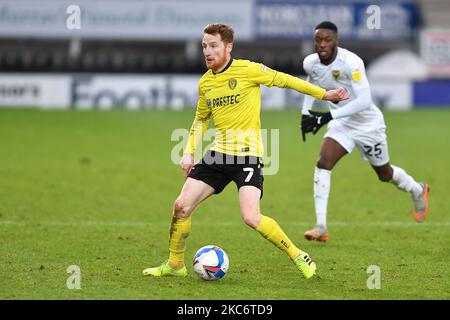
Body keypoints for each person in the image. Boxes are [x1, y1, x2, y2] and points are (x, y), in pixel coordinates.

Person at [142, 23, 348, 279]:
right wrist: (188, 151)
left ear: (228, 47)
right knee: (181, 206)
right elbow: (200, 119)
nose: (207, 51)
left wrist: (324, 94)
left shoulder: (248, 70)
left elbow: (285, 80)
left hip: (248, 156)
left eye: (213, 45)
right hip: (218, 154)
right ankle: (174, 265)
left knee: (251, 217)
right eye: (204, 46)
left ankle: (298, 255)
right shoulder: (206, 82)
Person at [300, 21, 430, 242]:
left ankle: (418, 190)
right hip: (343, 125)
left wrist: (327, 116)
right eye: (318, 40)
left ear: (336, 42)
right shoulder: (310, 63)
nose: (322, 44)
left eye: (327, 40)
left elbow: (364, 101)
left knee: (384, 174)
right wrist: (306, 114)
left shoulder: (352, 63)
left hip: (368, 125)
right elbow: (310, 86)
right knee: (323, 163)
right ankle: (321, 226)